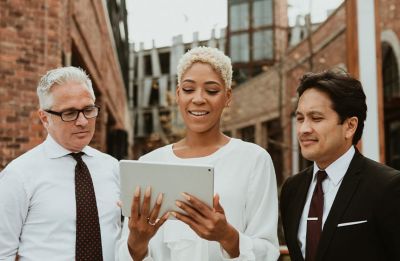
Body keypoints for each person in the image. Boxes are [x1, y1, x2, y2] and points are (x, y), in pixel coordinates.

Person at [118, 46, 280, 260]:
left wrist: (228, 237)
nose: (199, 99)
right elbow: (123, 255)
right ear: (178, 95)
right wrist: (136, 243)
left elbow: (268, 251)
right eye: (188, 89)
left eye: (212, 91)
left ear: (228, 97)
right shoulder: (149, 163)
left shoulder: (253, 160)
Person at [0, 67, 121, 260]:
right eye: (70, 113)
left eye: (88, 110)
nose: (82, 121)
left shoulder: (113, 167)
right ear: (44, 118)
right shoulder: (18, 175)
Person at [280, 70, 400, 261]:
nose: (304, 129)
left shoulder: (387, 186)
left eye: (316, 118)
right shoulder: (291, 189)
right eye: (300, 118)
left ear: (350, 126)